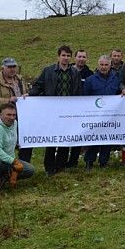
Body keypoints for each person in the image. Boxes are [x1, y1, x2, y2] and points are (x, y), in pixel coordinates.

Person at [29, 45, 82, 176]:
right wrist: (29, 95)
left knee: (65, 139)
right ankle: (49, 168)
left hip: (68, 112)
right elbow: (39, 86)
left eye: (68, 56)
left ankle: (60, 166)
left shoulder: (75, 72)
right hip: (52, 111)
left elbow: (79, 91)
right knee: (52, 140)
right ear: (58, 56)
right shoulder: (48, 71)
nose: (66, 58)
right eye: (63, 55)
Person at [0, 103, 34, 198]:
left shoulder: (14, 123)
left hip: (7, 160)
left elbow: (8, 140)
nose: (12, 117)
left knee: (30, 170)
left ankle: (2, 178)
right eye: (8, 115)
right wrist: (14, 162)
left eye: (14, 115)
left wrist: (16, 145)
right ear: (1, 115)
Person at [0, 57, 31, 162]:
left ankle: (23, 167)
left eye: (14, 67)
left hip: (21, 118)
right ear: (3, 68)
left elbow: (24, 95)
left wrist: (27, 96)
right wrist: (8, 100)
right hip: (3, 121)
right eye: (9, 67)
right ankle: (3, 170)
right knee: (4, 146)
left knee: (24, 144)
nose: (12, 69)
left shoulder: (20, 80)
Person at [83, 55, 121, 169]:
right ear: (98, 65)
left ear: (110, 66)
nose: (104, 67)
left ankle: (103, 161)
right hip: (94, 116)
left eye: (106, 65)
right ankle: (89, 161)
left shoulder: (116, 79)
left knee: (107, 139)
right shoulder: (90, 80)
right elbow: (84, 98)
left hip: (110, 116)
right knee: (93, 139)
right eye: (101, 65)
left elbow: (119, 92)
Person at [66, 49, 94, 168]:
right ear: (75, 58)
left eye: (84, 57)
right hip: (68, 108)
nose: (81, 59)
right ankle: (62, 160)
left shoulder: (90, 74)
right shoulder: (67, 71)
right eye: (79, 57)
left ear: (86, 59)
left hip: (83, 109)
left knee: (79, 135)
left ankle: (73, 161)